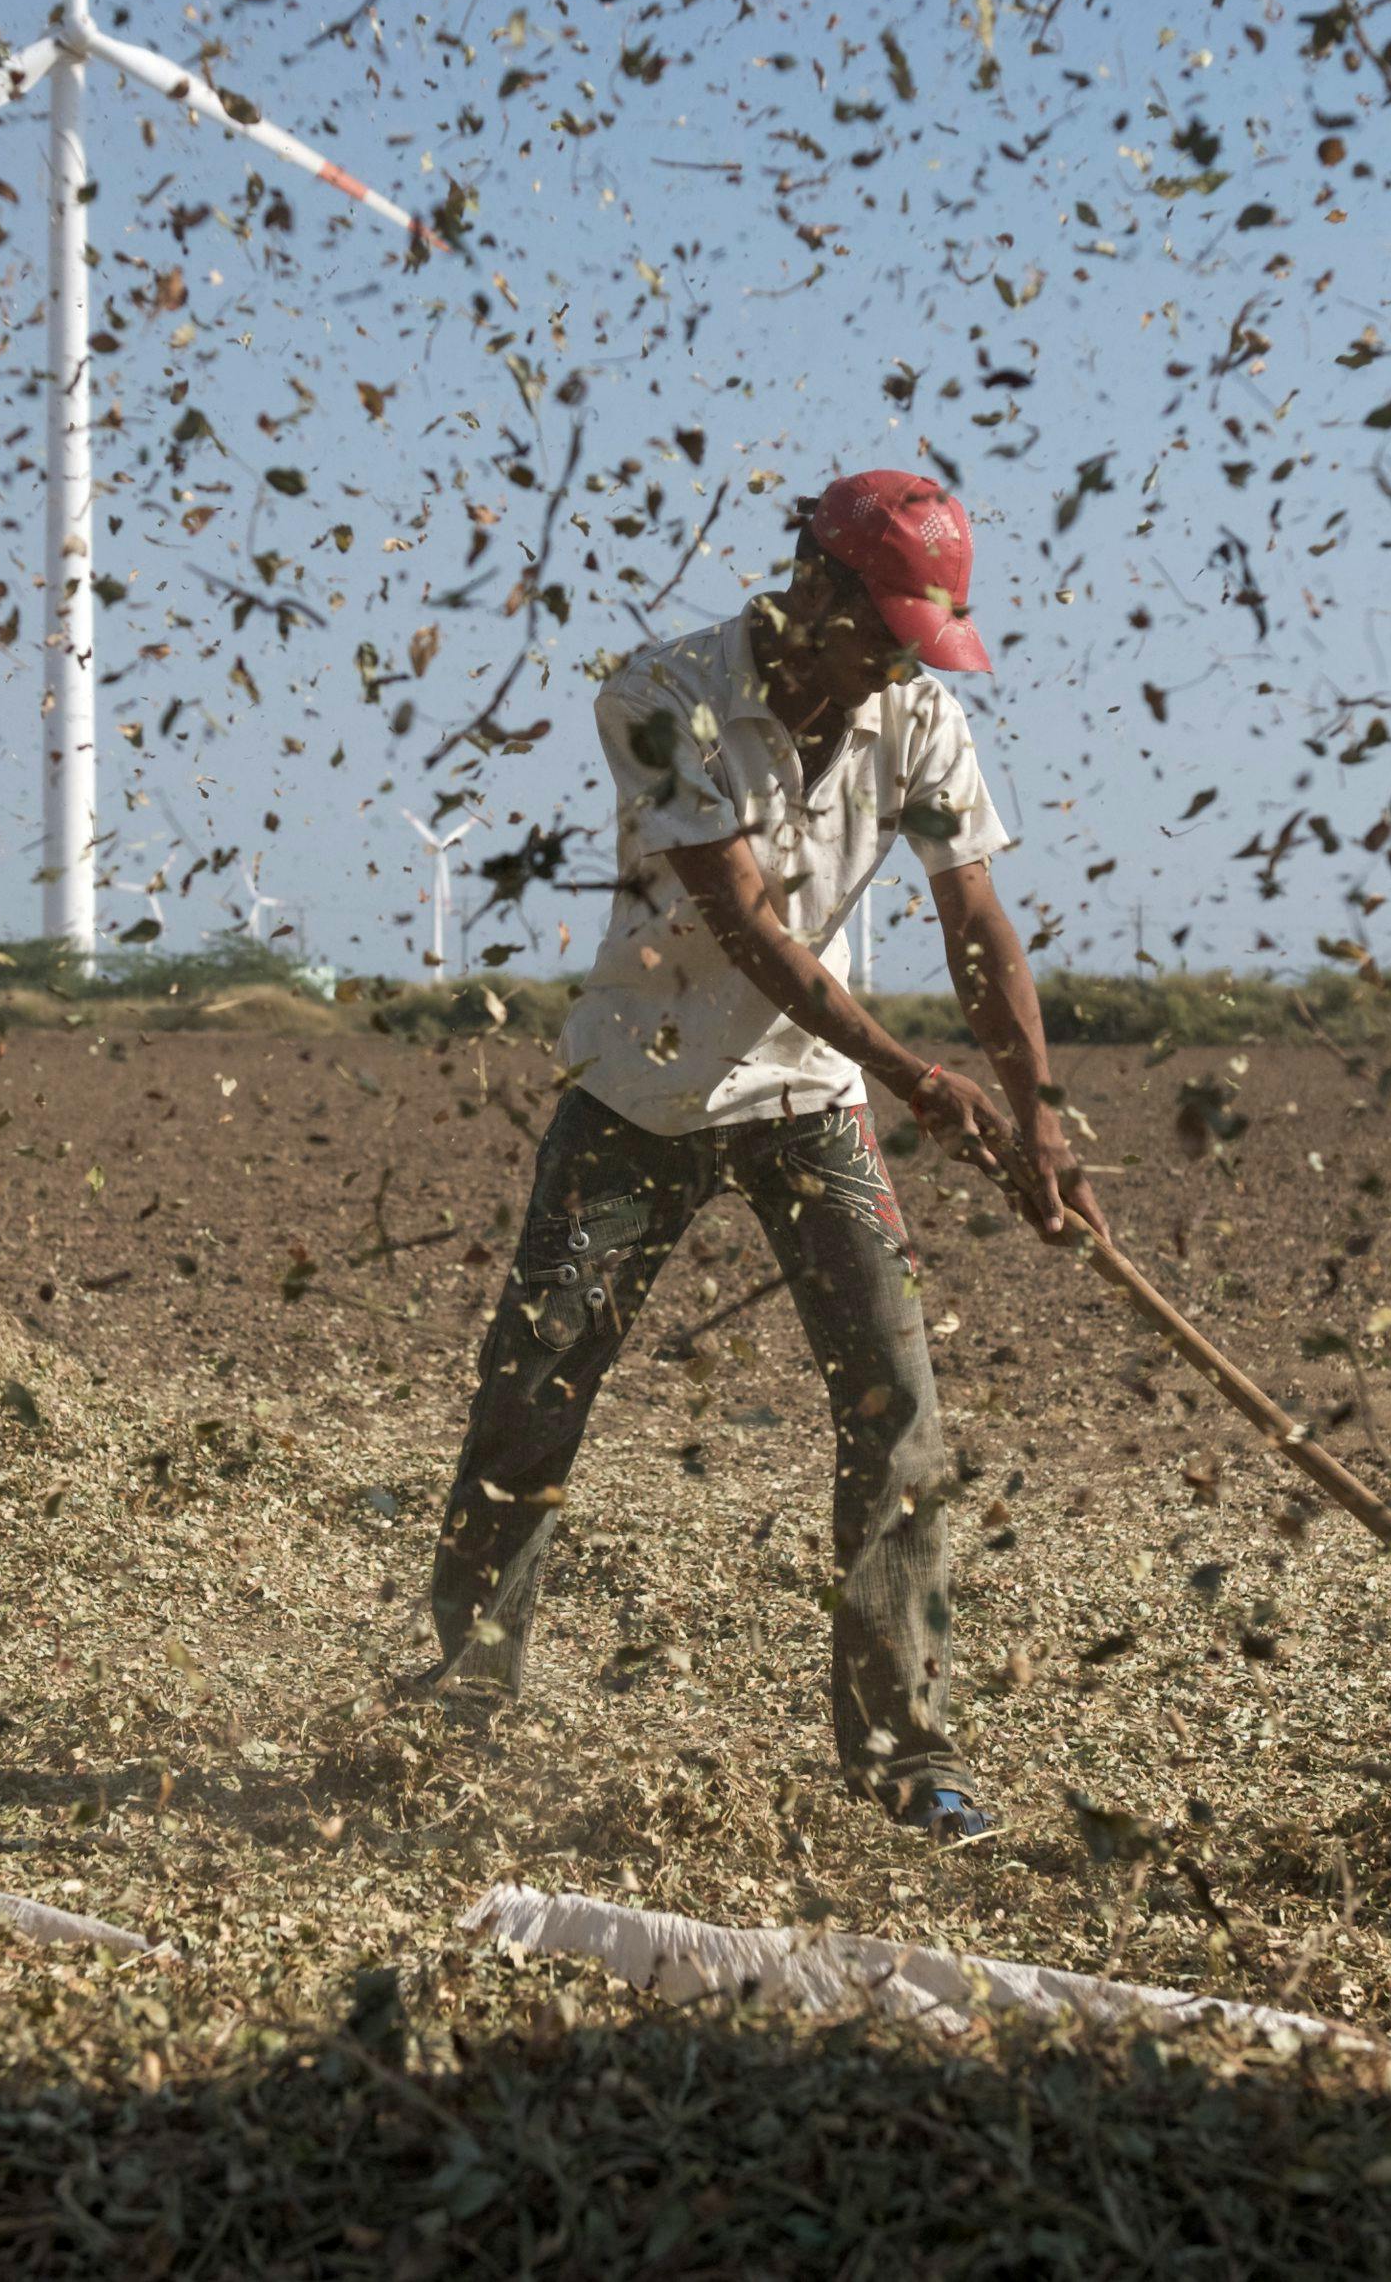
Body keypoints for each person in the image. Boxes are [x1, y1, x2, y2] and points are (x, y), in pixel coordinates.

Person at [420, 467, 1108, 1846]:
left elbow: (973, 915)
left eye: (919, 644)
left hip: (810, 1098)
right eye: (881, 632)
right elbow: (747, 928)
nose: (894, 669)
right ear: (813, 589)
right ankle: (460, 1707)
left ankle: (908, 1759)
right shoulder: (661, 697)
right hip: (641, 1089)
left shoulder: (916, 716)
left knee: (897, 1416)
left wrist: (1039, 1114)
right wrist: (919, 1076)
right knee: (536, 1389)